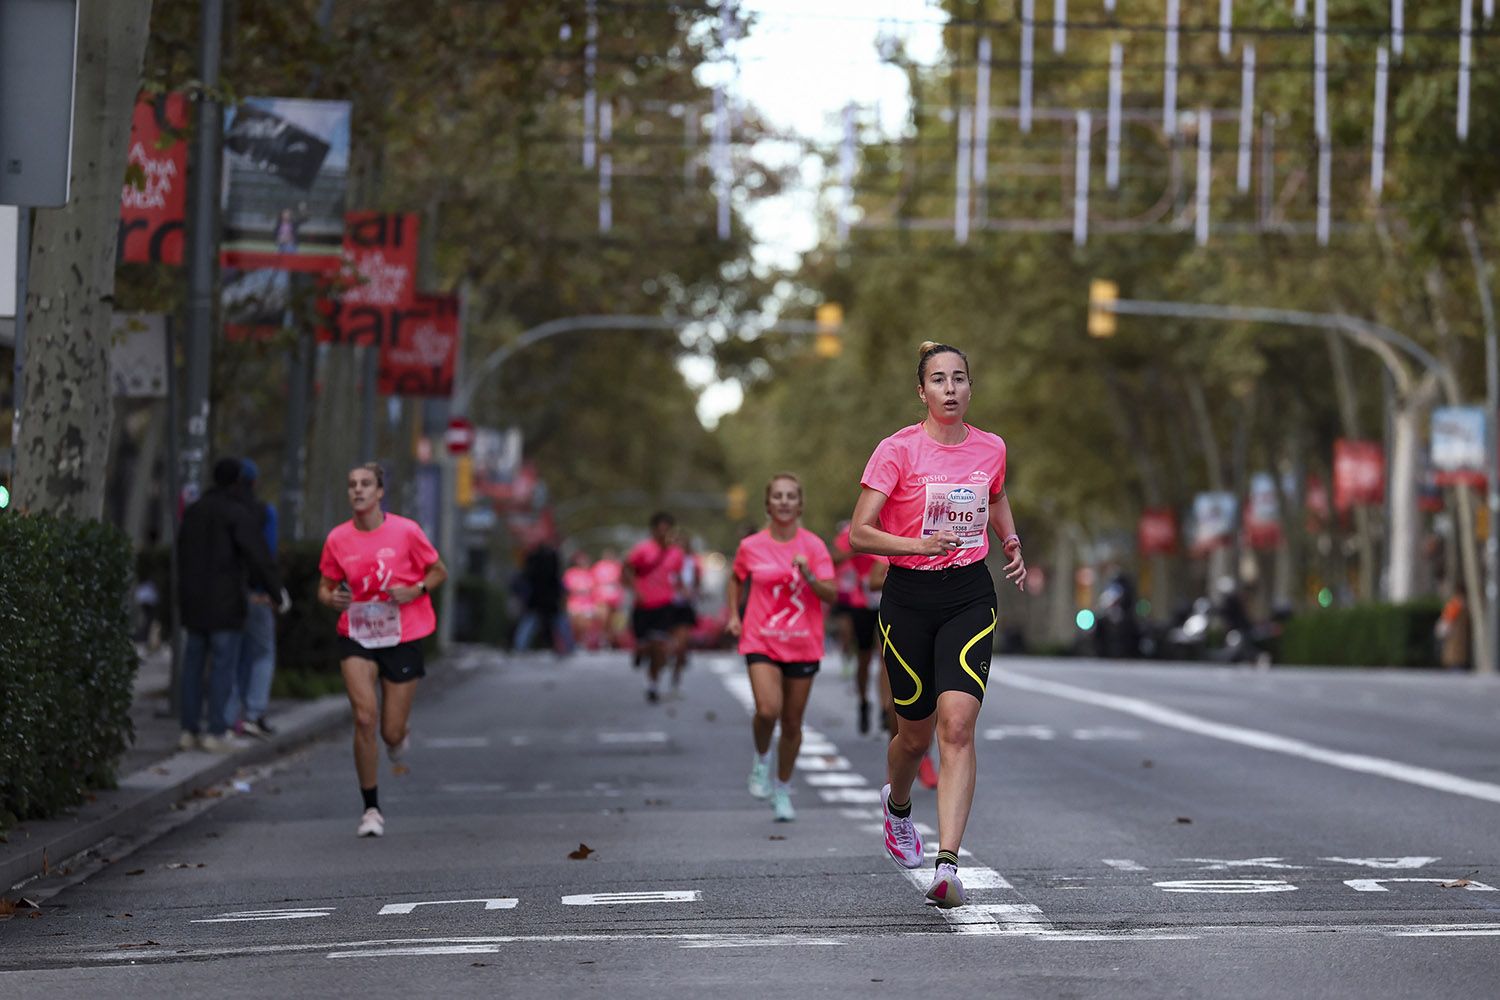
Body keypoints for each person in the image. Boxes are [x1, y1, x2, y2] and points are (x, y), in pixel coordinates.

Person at [850, 341, 1026, 908]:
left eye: (959, 378)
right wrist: (918, 544)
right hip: (908, 597)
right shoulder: (896, 450)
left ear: (971, 387)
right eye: (938, 380)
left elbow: (995, 499)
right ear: (921, 391)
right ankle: (898, 807)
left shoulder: (991, 447)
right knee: (914, 735)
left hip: (969, 593)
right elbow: (859, 533)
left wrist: (1011, 539)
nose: (950, 388)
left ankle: (948, 863)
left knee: (957, 727)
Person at [318, 463, 448, 838]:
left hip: (404, 633)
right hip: (357, 633)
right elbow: (324, 587)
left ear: (379, 493)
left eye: (365, 484)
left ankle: (398, 734)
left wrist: (416, 590)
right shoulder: (338, 539)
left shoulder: (406, 531)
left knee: (390, 732)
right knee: (363, 718)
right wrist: (333, 598)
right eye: (351, 485)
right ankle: (371, 808)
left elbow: (439, 570)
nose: (357, 490)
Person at [724, 474, 837, 822]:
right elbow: (736, 577)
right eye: (778, 496)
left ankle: (783, 788)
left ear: (799, 504)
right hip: (761, 637)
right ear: (768, 504)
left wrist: (810, 577)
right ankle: (761, 761)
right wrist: (733, 614)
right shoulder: (751, 546)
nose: (785, 501)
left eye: (791, 496)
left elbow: (832, 594)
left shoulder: (814, 546)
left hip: (803, 643)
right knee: (767, 710)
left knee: (791, 723)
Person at [177, 458, 286, 753]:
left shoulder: (194, 511)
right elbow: (258, 556)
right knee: (223, 668)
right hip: (225, 604)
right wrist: (277, 592)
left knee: (193, 668)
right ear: (238, 480)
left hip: (194, 603)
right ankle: (216, 730)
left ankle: (188, 729)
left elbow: (181, 555)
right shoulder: (236, 513)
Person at [231, 459, 280, 738]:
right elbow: (267, 554)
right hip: (257, 594)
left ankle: (229, 715)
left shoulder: (225, 511)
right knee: (262, 653)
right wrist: (271, 591)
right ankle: (254, 712)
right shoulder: (264, 513)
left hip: (229, 594)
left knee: (234, 655)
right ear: (255, 483)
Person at [831, 521, 889, 735]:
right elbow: (833, 560)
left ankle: (885, 708)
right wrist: (855, 548)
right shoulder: (855, 528)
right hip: (860, 601)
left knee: (886, 656)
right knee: (864, 657)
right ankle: (864, 702)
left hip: (888, 599)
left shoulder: (897, 522)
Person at [624, 512, 685, 703]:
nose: (663, 533)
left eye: (667, 529)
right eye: (660, 529)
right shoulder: (642, 550)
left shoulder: (677, 554)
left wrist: (683, 593)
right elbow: (626, 568)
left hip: (664, 605)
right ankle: (640, 651)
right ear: (653, 530)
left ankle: (653, 684)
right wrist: (635, 589)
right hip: (643, 605)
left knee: (659, 646)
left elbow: (678, 577)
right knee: (646, 645)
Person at [513, 538, 573, 654]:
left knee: (530, 623)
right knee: (559, 622)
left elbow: (525, 578)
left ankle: (519, 647)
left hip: (536, 598)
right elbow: (556, 579)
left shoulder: (532, 560)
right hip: (550, 598)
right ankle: (570, 647)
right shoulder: (552, 559)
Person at [667, 532, 702, 696]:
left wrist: (693, 592)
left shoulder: (692, 563)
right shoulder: (663, 561)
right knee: (664, 645)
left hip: (684, 607)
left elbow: (697, 583)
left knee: (681, 646)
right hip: (665, 606)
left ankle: (676, 679)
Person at [1437, 584, 1470, 672]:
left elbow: (1445, 623)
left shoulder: (1454, 605)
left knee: (1454, 665)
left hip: (1453, 641)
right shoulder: (1466, 606)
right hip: (1461, 643)